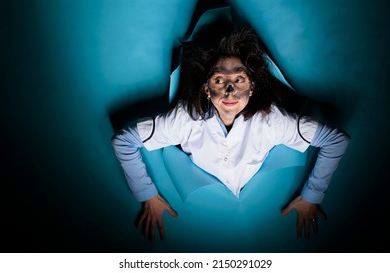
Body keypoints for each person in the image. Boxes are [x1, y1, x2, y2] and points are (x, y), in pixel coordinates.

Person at [111, 28, 350, 241]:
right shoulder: (185, 118)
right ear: (207, 89)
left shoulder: (273, 120)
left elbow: (336, 140)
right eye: (219, 80)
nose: (230, 90)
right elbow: (124, 141)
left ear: (252, 87)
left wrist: (312, 195)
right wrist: (147, 194)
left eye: (239, 79)